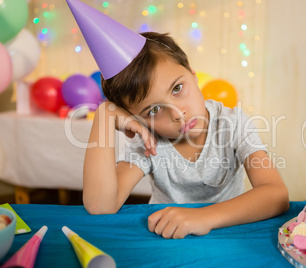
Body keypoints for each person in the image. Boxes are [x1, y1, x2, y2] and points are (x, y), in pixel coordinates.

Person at [67, 0, 289, 240]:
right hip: (167, 237)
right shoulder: (149, 143)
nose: (176, 114)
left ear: (193, 74)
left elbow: (276, 195)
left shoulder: (232, 124)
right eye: (153, 111)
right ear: (138, 120)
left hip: (228, 233)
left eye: (177, 88)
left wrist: (203, 217)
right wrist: (105, 115)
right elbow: (101, 206)